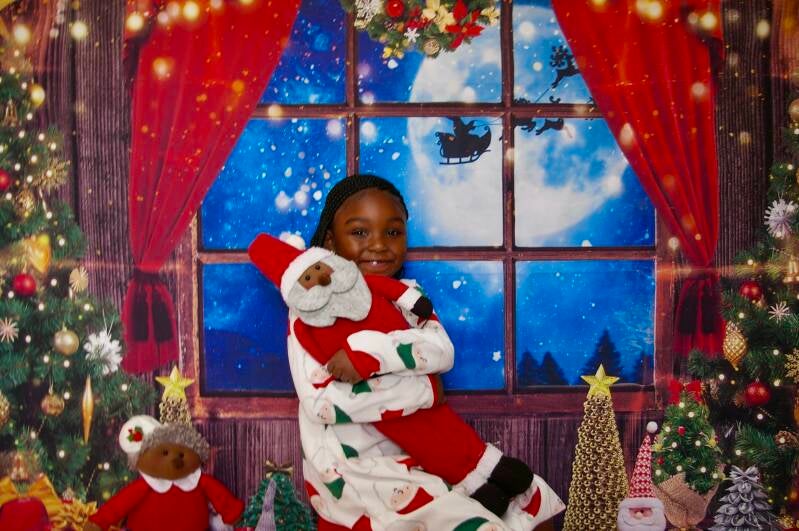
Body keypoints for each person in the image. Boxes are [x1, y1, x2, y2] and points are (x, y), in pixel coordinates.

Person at [251, 174, 564, 530]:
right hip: (359, 468)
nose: (378, 245)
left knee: (526, 501)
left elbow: (440, 350)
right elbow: (323, 402)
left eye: (393, 232)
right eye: (359, 232)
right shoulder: (312, 312)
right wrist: (423, 389)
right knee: (473, 520)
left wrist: (376, 354)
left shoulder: (406, 297)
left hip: (427, 448)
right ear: (329, 242)